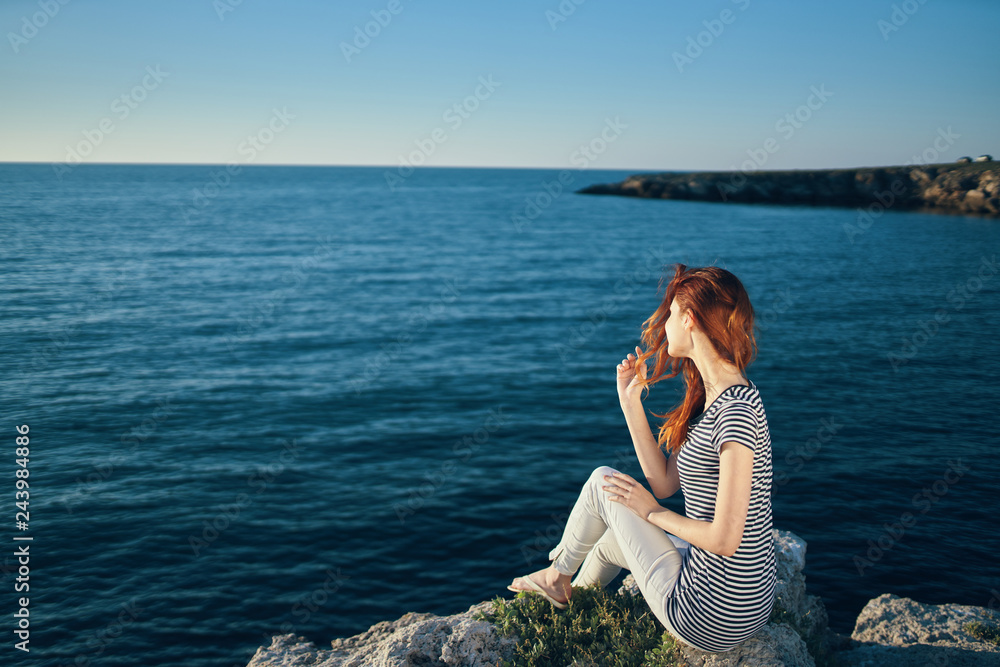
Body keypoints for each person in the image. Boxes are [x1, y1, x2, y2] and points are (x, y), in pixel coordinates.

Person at [507, 263, 776, 653]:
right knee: (614, 542)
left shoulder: (734, 414)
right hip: (747, 603)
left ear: (690, 319)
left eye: (669, 313)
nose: (663, 323)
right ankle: (570, 599)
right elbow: (665, 483)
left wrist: (652, 513)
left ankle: (556, 574)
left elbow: (724, 538)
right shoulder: (727, 397)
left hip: (710, 614)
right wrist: (629, 401)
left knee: (602, 481)